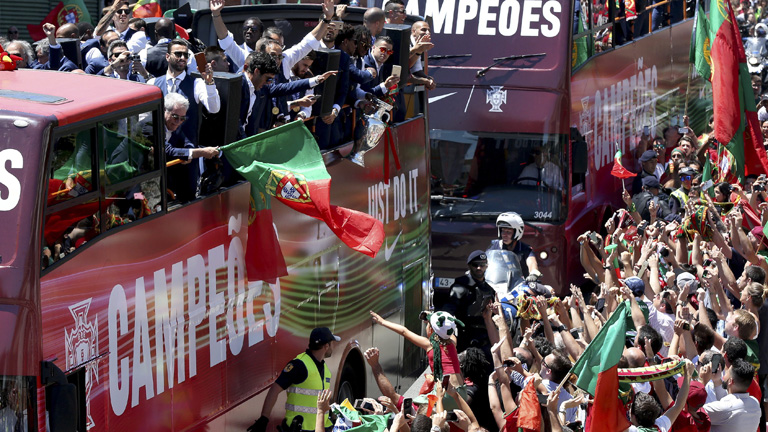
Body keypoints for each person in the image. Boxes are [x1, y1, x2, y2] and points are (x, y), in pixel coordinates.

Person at [250, 327, 340, 432]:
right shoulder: (298, 365)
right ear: (326, 346)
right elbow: (275, 389)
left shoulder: (324, 368)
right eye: (332, 343)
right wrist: (264, 418)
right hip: (298, 429)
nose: (333, 347)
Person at [149, 39, 221, 145]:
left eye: (186, 55)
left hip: (187, 151)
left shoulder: (197, 83)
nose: (183, 58)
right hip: (160, 150)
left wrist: (209, 82)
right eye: (178, 54)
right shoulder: (153, 83)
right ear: (167, 56)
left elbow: (214, 109)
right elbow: (145, 118)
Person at [436, 250, 495, 355]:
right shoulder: (461, 286)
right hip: (466, 337)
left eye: (482, 265)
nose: (479, 268)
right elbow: (449, 309)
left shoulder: (489, 289)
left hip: (485, 337)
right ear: (469, 265)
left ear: (486, 266)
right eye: (475, 265)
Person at [703, 358, 762, 431]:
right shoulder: (754, 403)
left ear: (730, 381)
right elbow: (728, 402)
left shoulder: (725, 409)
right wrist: (717, 381)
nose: (724, 375)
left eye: (727, 372)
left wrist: (703, 381)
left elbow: (695, 410)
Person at [487, 212, 540, 282]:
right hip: (498, 284)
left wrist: (533, 274)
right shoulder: (495, 246)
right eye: (503, 231)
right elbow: (486, 261)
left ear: (517, 232)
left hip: (520, 285)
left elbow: (532, 263)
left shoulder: (525, 249)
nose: (504, 235)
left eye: (508, 232)